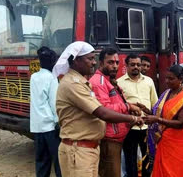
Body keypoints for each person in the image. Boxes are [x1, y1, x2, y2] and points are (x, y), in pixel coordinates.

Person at [53, 42, 143, 177]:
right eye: (90, 59)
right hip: (79, 150)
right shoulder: (73, 84)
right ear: (77, 60)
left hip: (87, 149)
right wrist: (133, 117)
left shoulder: (82, 82)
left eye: (93, 59)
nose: (93, 63)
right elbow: (102, 112)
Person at [89, 48, 142, 177]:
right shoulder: (98, 82)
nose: (115, 66)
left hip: (115, 138)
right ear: (101, 62)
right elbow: (105, 109)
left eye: (117, 62)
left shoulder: (107, 80)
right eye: (110, 62)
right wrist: (127, 107)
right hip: (108, 140)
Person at [143, 65, 183, 177]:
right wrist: (147, 111)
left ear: (181, 79)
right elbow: (161, 113)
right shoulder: (167, 93)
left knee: (175, 172)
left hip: (179, 141)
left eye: (171, 79)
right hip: (165, 139)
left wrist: (157, 119)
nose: (167, 81)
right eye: (166, 78)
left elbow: (180, 124)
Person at [117, 53, 158, 177]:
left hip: (146, 128)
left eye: (138, 65)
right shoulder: (119, 83)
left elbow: (154, 104)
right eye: (133, 64)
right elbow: (119, 107)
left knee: (147, 159)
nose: (136, 67)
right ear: (126, 65)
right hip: (129, 127)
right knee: (130, 158)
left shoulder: (149, 81)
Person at [30, 46, 61, 177]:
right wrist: (59, 121)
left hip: (37, 127)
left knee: (42, 162)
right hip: (50, 127)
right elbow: (54, 104)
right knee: (59, 162)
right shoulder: (52, 78)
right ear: (53, 62)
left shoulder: (33, 77)